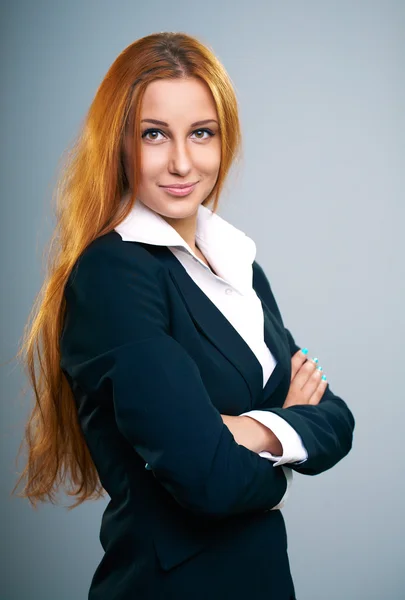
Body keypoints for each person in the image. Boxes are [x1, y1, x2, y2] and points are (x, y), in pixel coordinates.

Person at [13, 32, 355, 600]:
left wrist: (241, 431)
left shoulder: (236, 262)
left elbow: (337, 419)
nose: (181, 162)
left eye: (201, 133)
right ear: (119, 143)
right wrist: (286, 435)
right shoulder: (112, 276)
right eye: (154, 134)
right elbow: (209, 479)